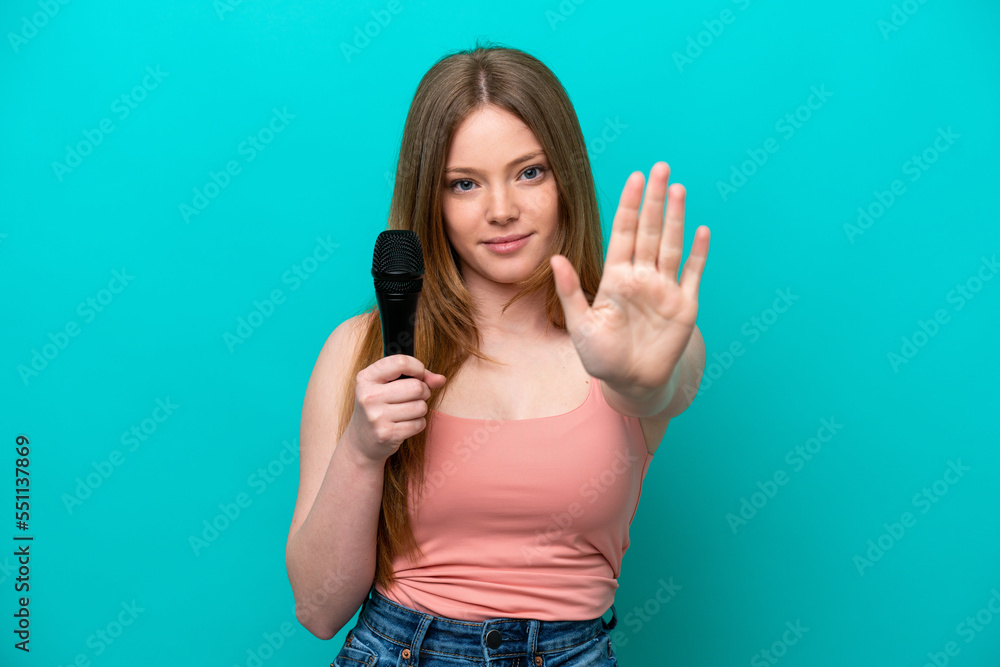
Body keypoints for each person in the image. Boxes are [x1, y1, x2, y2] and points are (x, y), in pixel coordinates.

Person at [285, 39, 709, 666]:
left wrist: (639, 381)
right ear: (432, 199)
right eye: (464, 184)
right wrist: (361, 448)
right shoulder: (360, 351)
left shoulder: (632, 343)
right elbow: (319, 611)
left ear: (566, 175)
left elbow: (656, 387)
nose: (503, 210)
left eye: (529, 171)